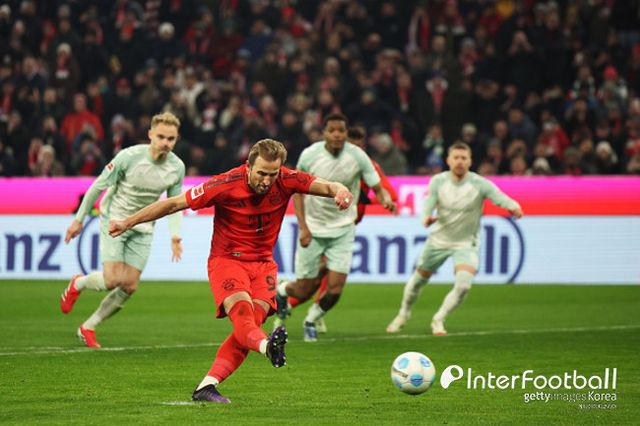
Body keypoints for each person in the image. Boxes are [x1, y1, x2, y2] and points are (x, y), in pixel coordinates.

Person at [108, 139, 353, 403]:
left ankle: (207, 386)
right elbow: (173, 204)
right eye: (261, 173)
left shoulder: (287, 179)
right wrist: (128, 222)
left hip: (263, 265)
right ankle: (267, 348)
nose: (267, 181)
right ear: (248, 166)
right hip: (228, 261)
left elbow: (328, 186)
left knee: (249, 328)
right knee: (243, 317)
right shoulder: (224, 184)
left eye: (272, 174)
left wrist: (340, 191)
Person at [60, 112, 185, 348]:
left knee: (129, 285)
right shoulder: (129, 157)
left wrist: (175, 236)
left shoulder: (176, 167)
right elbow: (98, 186)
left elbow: (175, 204)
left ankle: (88, 326)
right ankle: (79, 283)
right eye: (161, 137)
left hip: (144, 227)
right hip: (115, 220)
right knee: (111, 280)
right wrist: (78, 220)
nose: (166, 143)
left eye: (171, 138)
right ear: (150, 134)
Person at [275, 113, 396, 342]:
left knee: (335, 289)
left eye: (341, 130)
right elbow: (297, 191)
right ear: (324, 133)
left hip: (343, 229)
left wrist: (385, 199)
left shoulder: (357, 155)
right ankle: (281, 291)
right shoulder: (310, 155)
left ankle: (311, 320)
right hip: (314, 228)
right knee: (303, 289)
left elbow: (377, 185)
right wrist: (303, 227)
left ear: (346, 133)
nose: (337, 135)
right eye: (332, 130)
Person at [386, 141, 523, 335]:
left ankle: (438, 319)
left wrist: (513, 206)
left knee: (464, 285)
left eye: (464, 158)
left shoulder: (480, 184)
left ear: (470, 161)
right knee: (417, 281)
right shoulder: (438, 181)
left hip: (466, 243)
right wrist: (425, 218)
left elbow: (499, 197)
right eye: (456, 157)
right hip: (438, 241)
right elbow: (428, 204)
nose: (460, 161)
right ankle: (404, 313)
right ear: (448, 160)